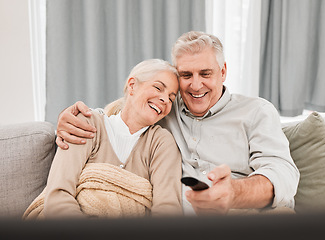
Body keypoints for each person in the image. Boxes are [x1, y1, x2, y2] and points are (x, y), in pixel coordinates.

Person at [56, 31, 300, 215]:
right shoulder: (165, 111)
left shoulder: (256, 112)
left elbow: (283, 174)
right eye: (186, 75)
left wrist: (234, 193)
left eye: (205, 73)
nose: (195, 85)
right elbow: (126, 115)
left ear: (223, 71)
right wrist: (76, 118)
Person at [24, 59, 182, 219]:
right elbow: (58, 194)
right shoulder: (87, 123)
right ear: (132, 85)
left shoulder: (162, 143)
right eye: (158, 87)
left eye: (171, 98)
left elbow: (167, 210)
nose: (164, 99)